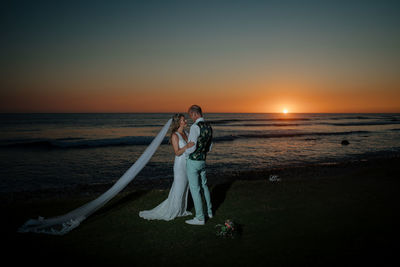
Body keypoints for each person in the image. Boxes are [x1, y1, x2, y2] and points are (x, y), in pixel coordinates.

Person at [139, 114, 195, 221]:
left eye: (185, 119)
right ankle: (173, 210)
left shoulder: (186, 133)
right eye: (184, 120)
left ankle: (181, 210)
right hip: (179, 165)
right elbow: (177, 152)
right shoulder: (175, 135)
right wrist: (187, 146)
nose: (186, 121)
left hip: (188, 163)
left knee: (185, 187)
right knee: (179, 187)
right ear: (179, 122)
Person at [184, 105, 213, 226]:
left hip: (193, 161)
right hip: (203, 161)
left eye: (190, 116)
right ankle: (210, 212)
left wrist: (184, 152)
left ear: (194, 114)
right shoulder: (209, 126)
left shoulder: (195, 127)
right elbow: (210, 147)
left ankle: (200, 218)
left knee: (195, 190)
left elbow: (192, 147)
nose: (191, 118)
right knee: (204, 186)